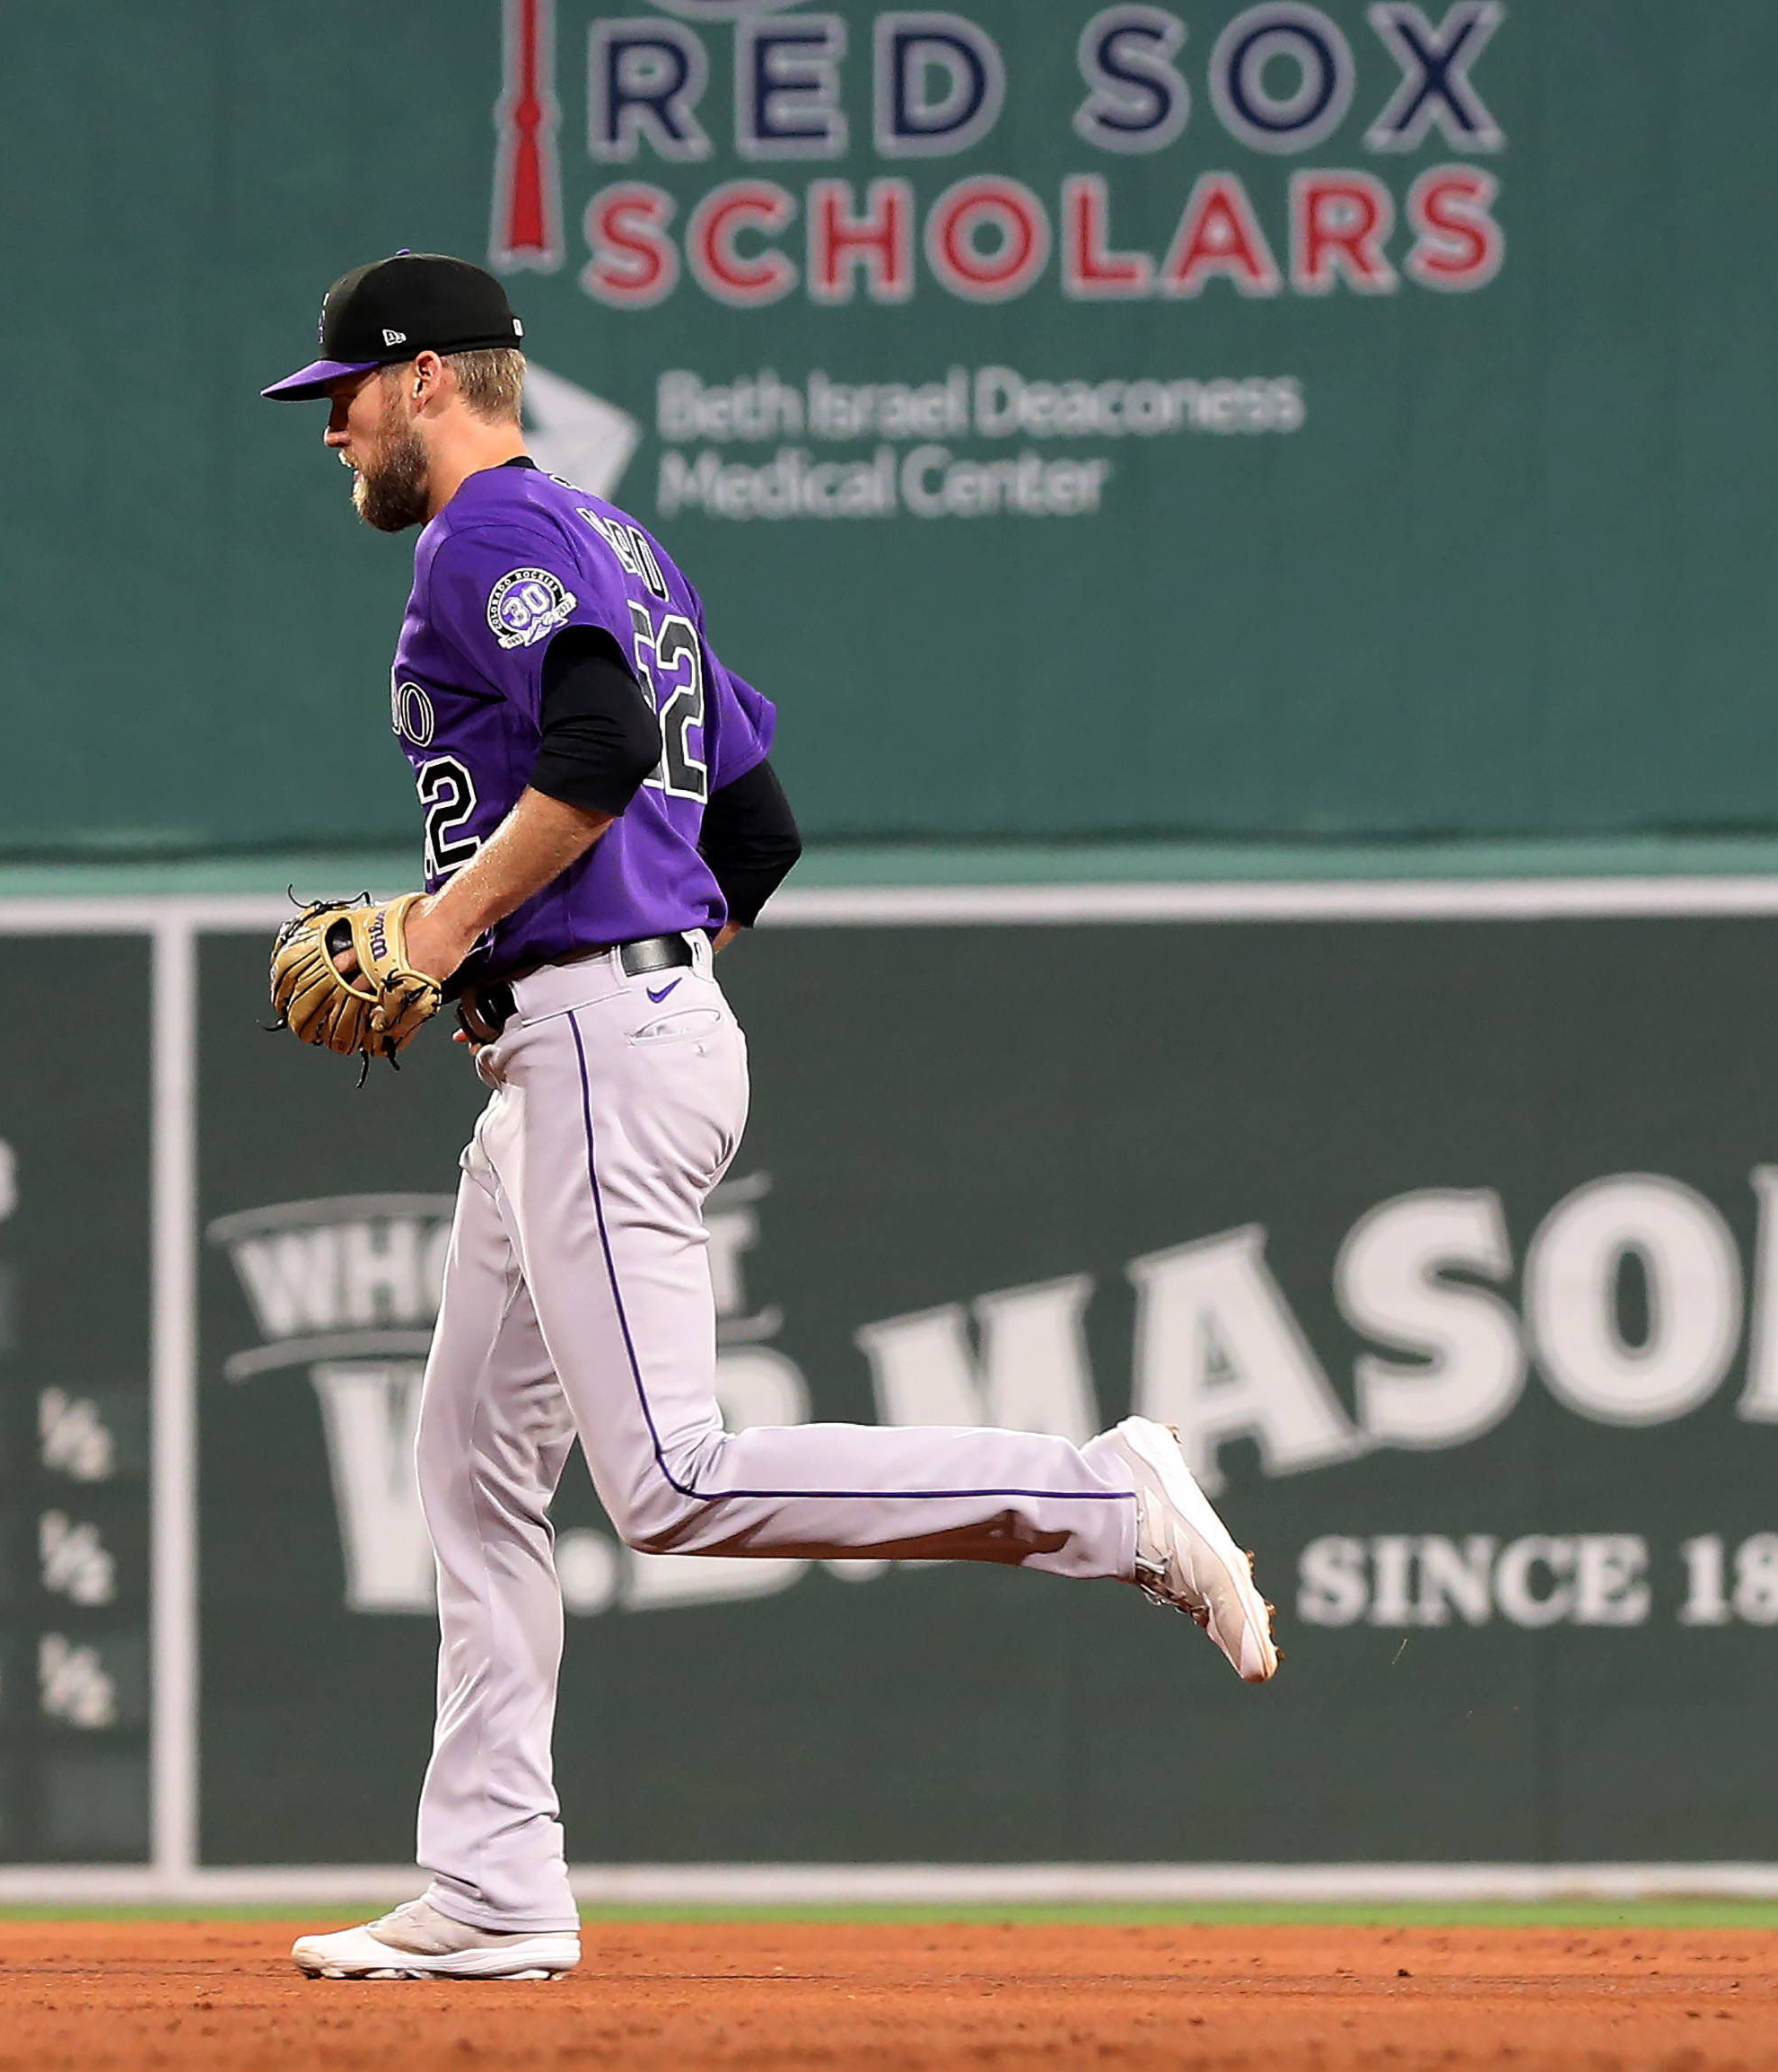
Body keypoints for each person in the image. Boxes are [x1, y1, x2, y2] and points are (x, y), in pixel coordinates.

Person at [258, 252, 1279, 1982]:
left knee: (669, 1483)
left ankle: (1103, 1499)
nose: (333, 425)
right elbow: (759, 830)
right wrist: (638, 962)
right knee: (471, 1462)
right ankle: (497, 1882)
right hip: (600, 1032)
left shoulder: (485, 535)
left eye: (345, 391)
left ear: (429, 379)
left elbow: (589, 753)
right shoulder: (625, 543)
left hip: (594, 1042)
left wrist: (449, 934)